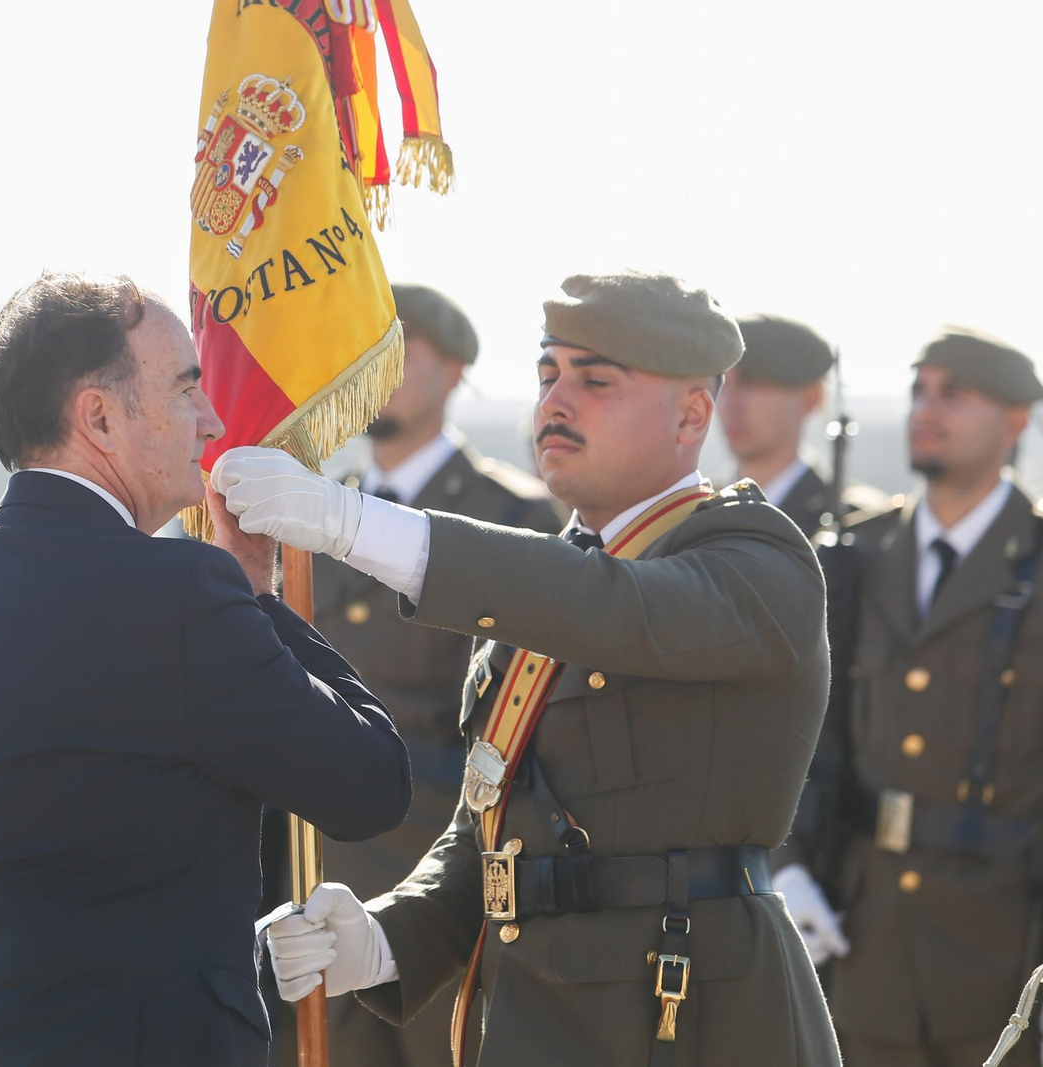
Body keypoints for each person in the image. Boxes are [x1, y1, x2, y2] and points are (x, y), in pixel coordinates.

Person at [217, 269, 841, 1066]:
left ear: (691, 412)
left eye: (596, 380)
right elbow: (494, 829)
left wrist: (354, 524)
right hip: (534, 1022)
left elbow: (617, 608)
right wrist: (383, 938)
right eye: (548, 374)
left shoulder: (758, 560)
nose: (557, 400)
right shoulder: (544, 590)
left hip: (689, 1018)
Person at [0, 271, 411, 1067]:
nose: (211, 421)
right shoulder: (183, 593)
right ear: (100, 416)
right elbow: (372, 781)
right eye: (187, 390)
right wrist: (257, 594)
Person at [295, 283, 558, 1067]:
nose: (378, 372)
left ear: (456, 371)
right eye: (361, 352)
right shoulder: (316, 510)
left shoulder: (509, 516)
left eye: (399, 352)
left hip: (445, 863)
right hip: (324, 850)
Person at [811, 327, 1042, 1067]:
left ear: (1016, 421)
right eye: (918, 390)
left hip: (1003, 955)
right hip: (867, 937)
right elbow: (810, 732)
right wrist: (790, 866)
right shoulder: (859, 556)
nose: (927, 409)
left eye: (955, 393)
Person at [718, 313, 881, 538]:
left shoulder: (858, 524)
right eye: (722, 382)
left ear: (810, 398)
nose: (729, 404)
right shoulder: (694, 511)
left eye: (751, 383)